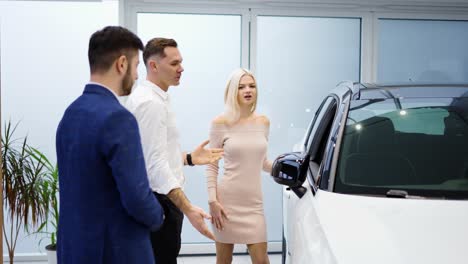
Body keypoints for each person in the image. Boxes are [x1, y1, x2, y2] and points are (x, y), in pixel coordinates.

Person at [55, 26, 164, 264]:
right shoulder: (118, 118)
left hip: (74, 249)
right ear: (122, 64)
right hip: (116, 251)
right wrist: (159, 216)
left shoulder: (70, 114)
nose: (136, 76)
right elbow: (136, 197)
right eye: (136, 66)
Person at [125, 37, 223, 264]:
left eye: (181, 62)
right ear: (153, 66)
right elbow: (155, 166)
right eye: (174, 63)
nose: (182, 68)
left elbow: (150, 155)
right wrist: (188, 209)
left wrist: (188, 158)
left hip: (157, 200)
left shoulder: (155, 98)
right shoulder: (151, 103)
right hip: (159, 203)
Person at [206, 68, 273, 264]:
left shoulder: (263, 122)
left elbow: (262, 162)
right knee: (224, 261)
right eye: (241, 86)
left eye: (252, 86)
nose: (247, 90)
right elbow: (211, 166)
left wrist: (286, 167)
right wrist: (212, 201)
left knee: (261, 260)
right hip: (226, 203)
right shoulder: (220, 123)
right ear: (232, 91)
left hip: (254, 205)